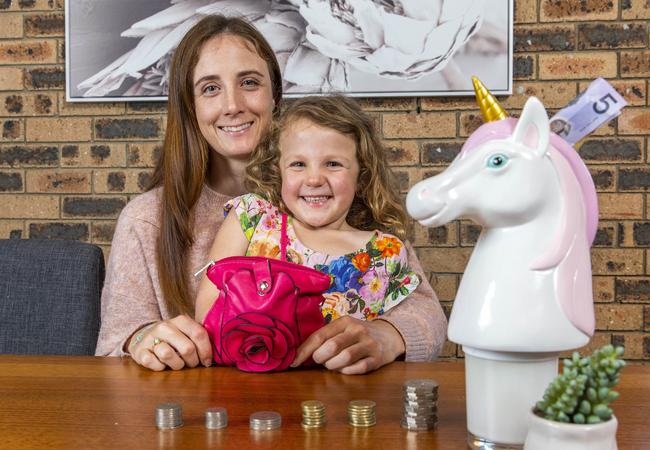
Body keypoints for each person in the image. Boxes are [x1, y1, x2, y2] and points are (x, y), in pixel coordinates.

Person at [95, 14, 447, 372]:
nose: (233, 105)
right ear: (190, 107)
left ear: (275, 96)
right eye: (210, 88)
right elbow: (113, 343)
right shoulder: (147, 219)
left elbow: (427, 313)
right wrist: (142, 340)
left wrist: (387, 334)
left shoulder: (330, 196)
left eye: (249, 82)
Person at [195, 95, 425, 373]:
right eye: (298, 164)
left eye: (333, 164)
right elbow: (207, 316)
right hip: (248, 389)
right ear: (278, 170)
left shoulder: (385, 253)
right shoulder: (252, 217)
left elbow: (397, 341)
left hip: (343, 397)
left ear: (361, 175)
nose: (314, 179)